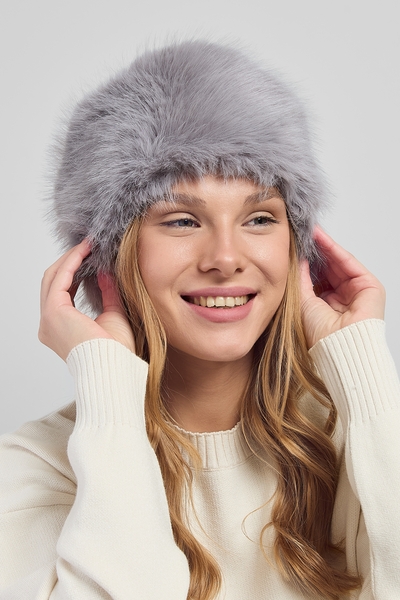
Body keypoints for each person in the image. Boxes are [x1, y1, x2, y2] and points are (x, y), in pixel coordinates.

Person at [0, 40, 399, 600]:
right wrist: (109, 391)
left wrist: (365, 371)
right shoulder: (36, 469)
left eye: (259, 218)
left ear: (298, 248)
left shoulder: (358, 437)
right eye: (183, 220)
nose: (226, 258)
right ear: (105, 258)